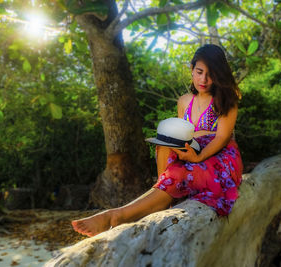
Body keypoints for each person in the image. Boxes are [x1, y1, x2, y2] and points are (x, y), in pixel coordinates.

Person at [72, 44, 243, 237]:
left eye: (211, 74)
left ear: (219, 74)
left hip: (218, 156)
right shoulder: (184, 101)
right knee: (163, 148)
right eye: (199, 72)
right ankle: (164, 200)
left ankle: (116, 216)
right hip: (192, 151)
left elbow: (221, 137)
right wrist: (183, 150)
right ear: (192, 69)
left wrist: (199, 156)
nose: (203, 79)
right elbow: (182, 133)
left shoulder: (225, 100)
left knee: (178, 173)